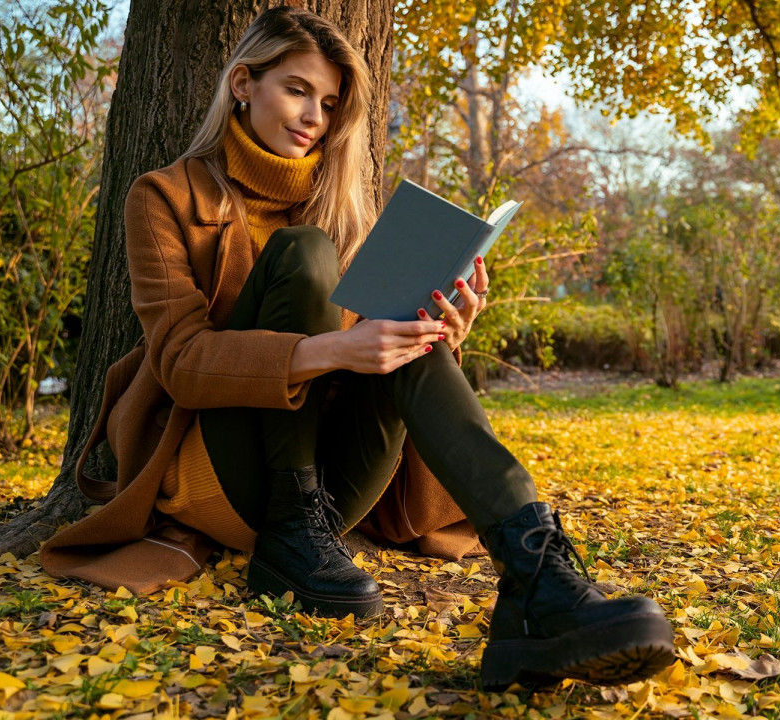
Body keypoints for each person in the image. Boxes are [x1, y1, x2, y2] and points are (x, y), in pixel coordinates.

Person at [40, 7, 673, 689]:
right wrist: (335, 352)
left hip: (332, 497)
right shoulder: (162, 196)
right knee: (304, 255)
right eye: (296, 88)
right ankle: (291, 533)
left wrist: (437, 334)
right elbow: (182, 364)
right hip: (225, 470)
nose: (314, 114)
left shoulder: (343, 207)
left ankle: (537, 580)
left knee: (403, 319)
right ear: (245, 83)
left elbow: (378, 359)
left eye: (330, 103)